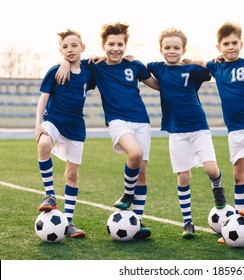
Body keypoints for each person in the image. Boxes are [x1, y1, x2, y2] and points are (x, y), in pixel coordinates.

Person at [56, 22, 159, 239]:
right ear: (103, 45)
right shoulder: (96, 67)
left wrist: (185, 67)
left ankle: (137, 223)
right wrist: (63, 61)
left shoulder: (135, 66)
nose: (116, 48)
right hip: (118, 121)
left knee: (142, 173)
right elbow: (74, 60)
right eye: (111, 44)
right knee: (135, 153)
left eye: (120, 44)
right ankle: (127, 194)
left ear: (125, 45)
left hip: (142, 121)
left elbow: (158, 85)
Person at [146, 27, 227, 239]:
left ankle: (218, 188)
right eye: (167, 47)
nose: (171, 51)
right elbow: (140, 68)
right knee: (183, 176)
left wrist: (197, 61)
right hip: (176, 131)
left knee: (211, 169)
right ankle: (187, 221)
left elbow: (210, 69)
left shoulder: (191, 69)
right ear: (161, 49)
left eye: (176, 48)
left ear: (183, 50)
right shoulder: (157, 68)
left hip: (199, 126)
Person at [190, 22, 244, 224]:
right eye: (226, 44)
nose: (231, 47)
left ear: (241, 44)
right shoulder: (216, 66)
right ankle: (238, 222)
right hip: (234, 129)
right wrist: (188, 60)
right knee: (238, 176)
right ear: (219, 47)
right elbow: (201, 63)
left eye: (234, 42)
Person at [35, 29, 95, 238]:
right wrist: (38, 124)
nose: (70, 50)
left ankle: (68, 223)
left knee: (72, 174)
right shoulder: (55, 71)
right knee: (43, 145)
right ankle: (50, 195)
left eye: (74, 45)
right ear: (60, 50)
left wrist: (128, 57)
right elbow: (43, 98)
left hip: (76, 126)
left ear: (83, 48)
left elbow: (103, 61)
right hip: (54, 120)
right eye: (65, 47)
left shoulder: (89, 71)